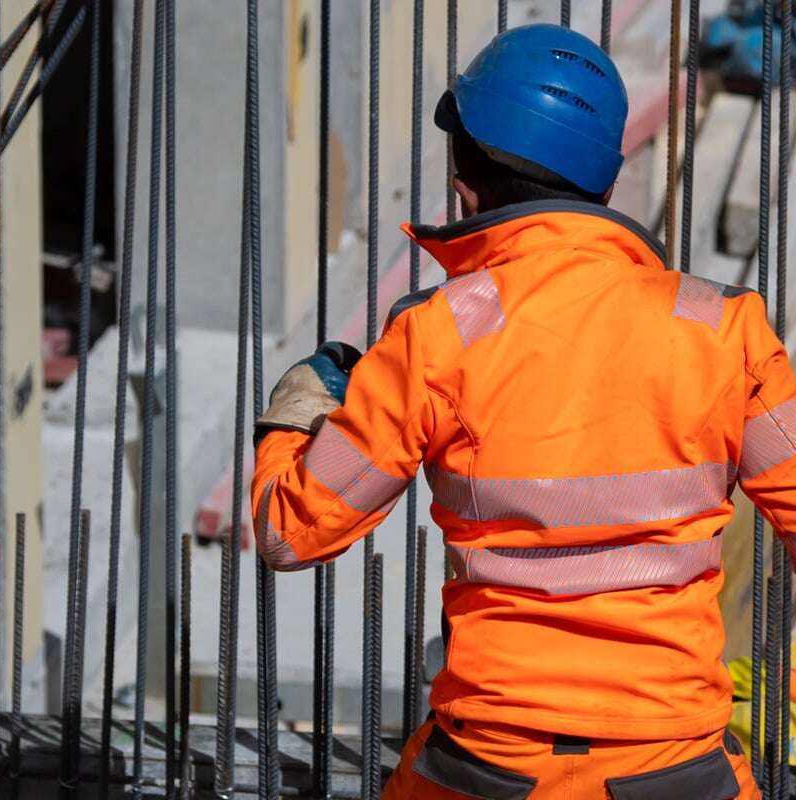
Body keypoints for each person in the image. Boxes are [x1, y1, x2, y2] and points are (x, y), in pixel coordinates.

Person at [251, 23, 786, 799]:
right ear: (603, 184)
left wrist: (297, 415)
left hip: (489, 768)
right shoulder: (724, 329)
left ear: (466, 176)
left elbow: (288, 531)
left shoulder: (435, 336)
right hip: (676, 766)